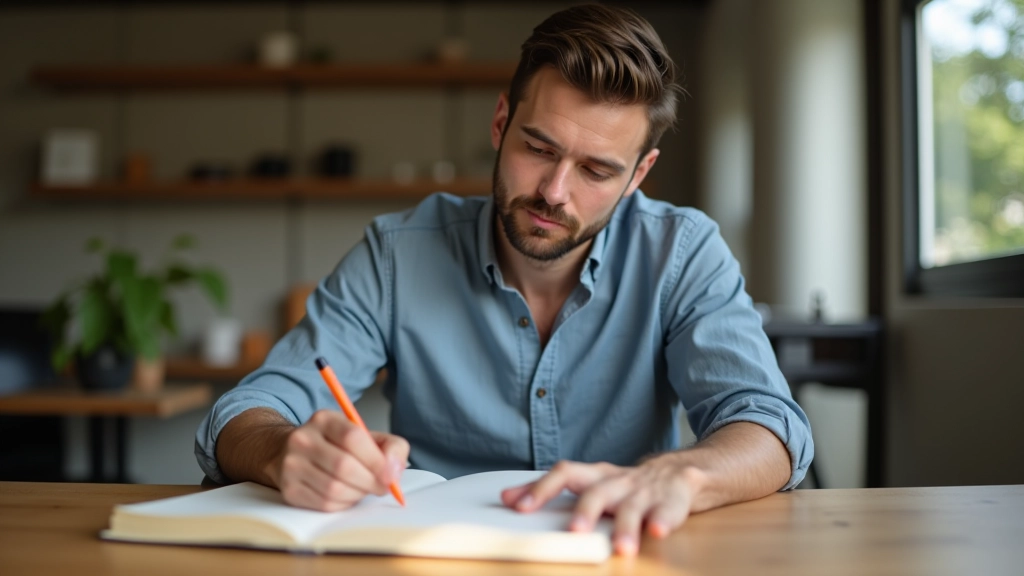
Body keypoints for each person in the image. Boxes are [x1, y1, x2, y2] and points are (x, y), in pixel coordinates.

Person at [195, 4, 813, 557]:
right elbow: (250, 410)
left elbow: (768, 424)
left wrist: (687, 475)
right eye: (538, 148)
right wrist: (284, 452)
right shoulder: (397, 254)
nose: (554, 192)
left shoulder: (682, 251)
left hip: (620, 553)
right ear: (500, 122)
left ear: (639, 174)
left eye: (598, 169)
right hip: (432, 559)